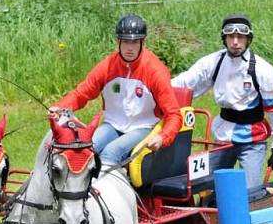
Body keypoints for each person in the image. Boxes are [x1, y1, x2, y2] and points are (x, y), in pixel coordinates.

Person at [172, 13, 273, 189]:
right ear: (224, 38)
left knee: (249, 194)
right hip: (222, 136)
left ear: (248, 40)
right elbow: (184, 83)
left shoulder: (262, 70)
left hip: (252, 140)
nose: (235, 42)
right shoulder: (213, 62)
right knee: (204, 186)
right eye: (231, 37)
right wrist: (156, 89)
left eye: (240, 37)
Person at [49, 14, 181, 165]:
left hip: (143, 127)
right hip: (112, 125)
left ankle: (102, 189)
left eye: (134, 42)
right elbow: (81, 94)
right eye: (125, 42)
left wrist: (163, 137)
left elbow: (174, 115)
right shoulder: (107, 66)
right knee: (84, 149)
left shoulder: (156, 71)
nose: (129, 48)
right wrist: (60, 107)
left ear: (142, 42)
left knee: (110, 153)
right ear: (118, 41)